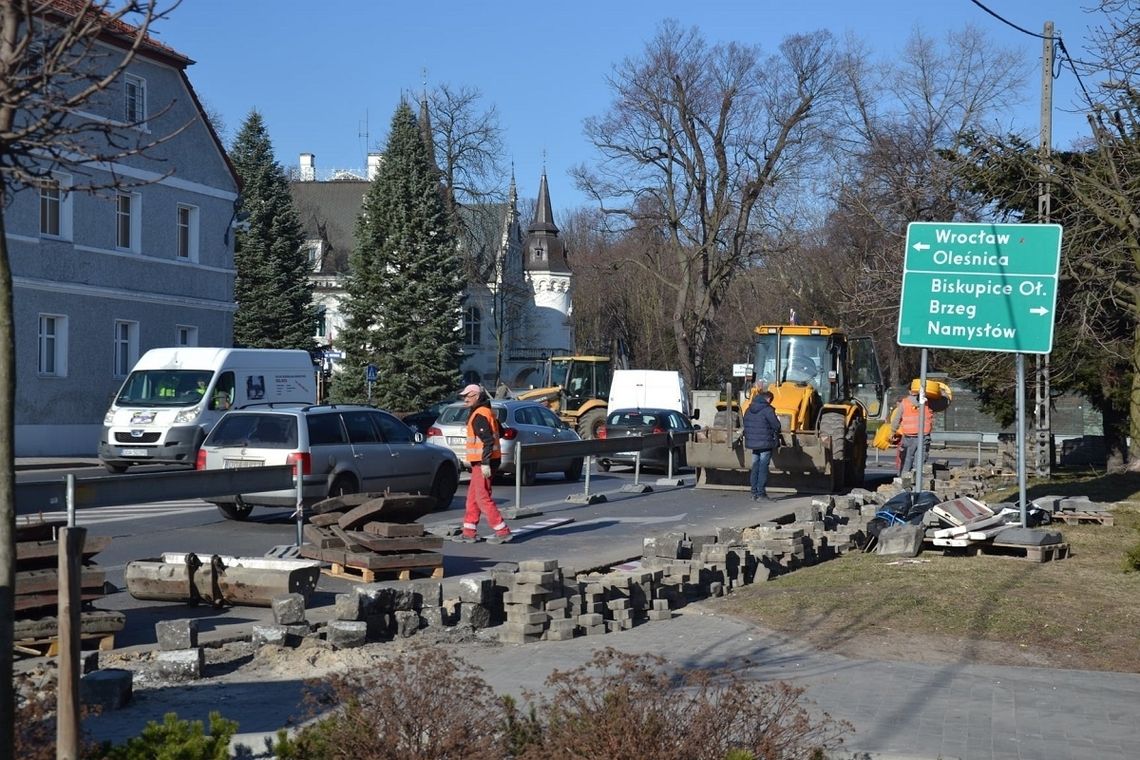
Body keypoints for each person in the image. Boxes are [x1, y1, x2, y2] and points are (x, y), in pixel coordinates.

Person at [453, 383, 513, 544]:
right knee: (473, 496)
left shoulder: (479, 414)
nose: (464, 399)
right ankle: (469, 531)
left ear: (477, 396)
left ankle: (502, 531)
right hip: (485, 460)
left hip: (483, 462)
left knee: (481, 497)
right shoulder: (487, 411)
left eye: (467, 396)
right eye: (464, 396)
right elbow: (500, 432)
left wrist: (485, 462)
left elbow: (487, 440)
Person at [742, 381, 781, 501]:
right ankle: (761, 493)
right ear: (768, 399)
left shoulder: (749, 409)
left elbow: (746, 424)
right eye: (771, 400)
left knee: (755, 467)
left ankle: (753, 493)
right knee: (763, 467)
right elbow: (776, 425)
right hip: (765, 442)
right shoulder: (768, 410)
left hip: (753, 443)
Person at [889, 381, 933, 477]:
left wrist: (892, 431)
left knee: (907, 460)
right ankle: (918, 484)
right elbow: (943, 403)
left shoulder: (904, 403)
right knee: (920, 462)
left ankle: (904, 482)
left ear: (910, 391)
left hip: (908, 437)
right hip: (923, 437)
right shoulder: (928, 402)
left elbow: (896, 419)